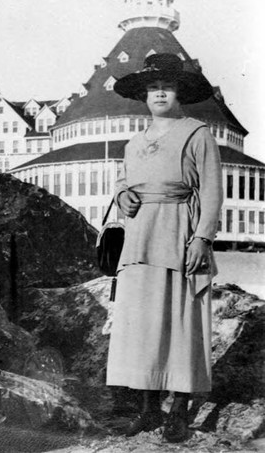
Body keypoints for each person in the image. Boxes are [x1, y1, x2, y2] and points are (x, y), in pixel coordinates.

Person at [106, 53, 223, 442]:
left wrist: (202, 238)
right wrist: (122, 194)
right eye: (153, 87)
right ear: (143, 94)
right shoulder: (133, 142)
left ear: (180, 93)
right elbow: (124, 180)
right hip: (139, 237)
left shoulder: (196, 133)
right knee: (142, 324)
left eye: (167, 86)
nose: (159, 93)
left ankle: (179, 411)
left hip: (178, 232)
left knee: (181, 320)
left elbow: (210, 190)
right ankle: (148, 409)